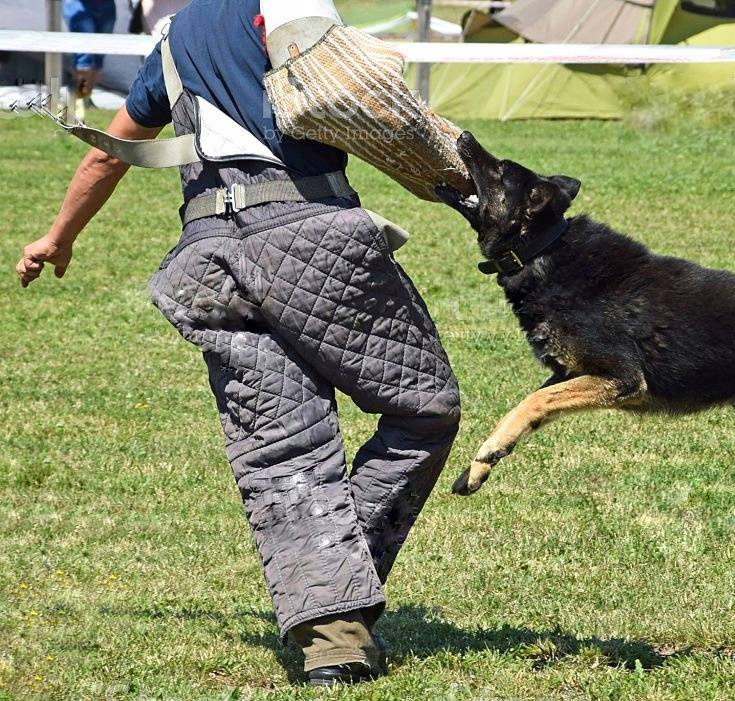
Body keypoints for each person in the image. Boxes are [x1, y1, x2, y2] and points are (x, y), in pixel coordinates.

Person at [17, 0, 462, 686]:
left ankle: (332, 639)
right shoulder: (286, 7)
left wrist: (59, 235)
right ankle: (340, 579)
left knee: (282, 447)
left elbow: (112, 152)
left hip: (208, 262)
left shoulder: (173, 41)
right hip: (309, 238)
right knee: (423, 408)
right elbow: (367, 98)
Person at [62, 0, 116, 101]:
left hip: (107, 5)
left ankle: (85, 97)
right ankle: (80, 97)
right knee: (84, 56)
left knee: (99, 55)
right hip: (78, 4)